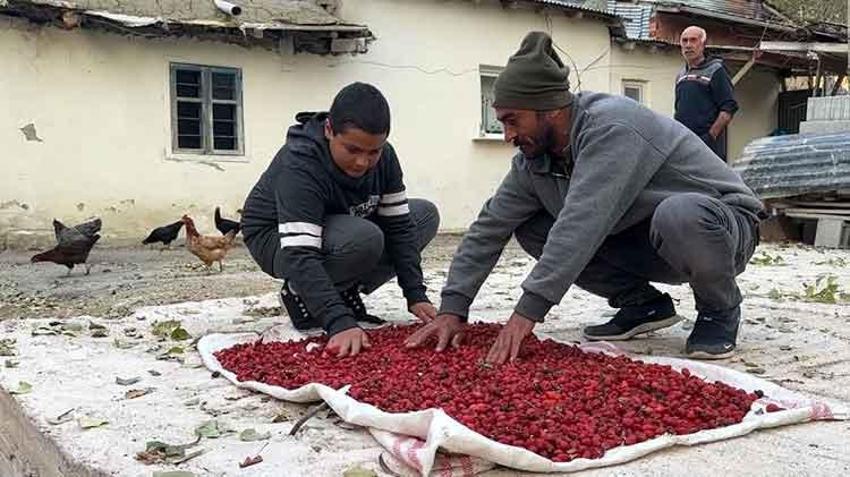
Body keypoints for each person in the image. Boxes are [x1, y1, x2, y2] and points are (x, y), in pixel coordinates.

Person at [406, 32, 763, 363]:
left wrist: (526, 314)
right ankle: (644, 306)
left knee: (679, 213)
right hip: (648, 235)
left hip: (722, 227)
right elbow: (489, 228)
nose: (507, 135)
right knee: (532, 226)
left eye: (513, 121)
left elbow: (581, 224)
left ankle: (720, 308)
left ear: (549, 109)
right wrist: (453, 308)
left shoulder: (612, 127)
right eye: (501, 123)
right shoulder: (534, 160)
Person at [242, 82, 440, 357]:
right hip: (277, 238)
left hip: (340, 227)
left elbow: (400, 228)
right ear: (328, 131)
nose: (363, 162)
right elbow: (300, 250)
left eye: (374, 152)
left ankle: (343, 290)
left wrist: (415, 294)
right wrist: (338, 321)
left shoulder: (386, 158)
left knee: (423, 216)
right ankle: (300, 293)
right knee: (364, 238)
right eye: (352, 150)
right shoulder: (300, 163)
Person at [675, 26, 738, 162]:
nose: (688, 45)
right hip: (684, 145)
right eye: (684, 41)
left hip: (709, 148)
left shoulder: (716, 70)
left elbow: (728, 108)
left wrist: (711, 136)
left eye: (693, 40)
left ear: (703, 44)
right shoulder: (681, 76)